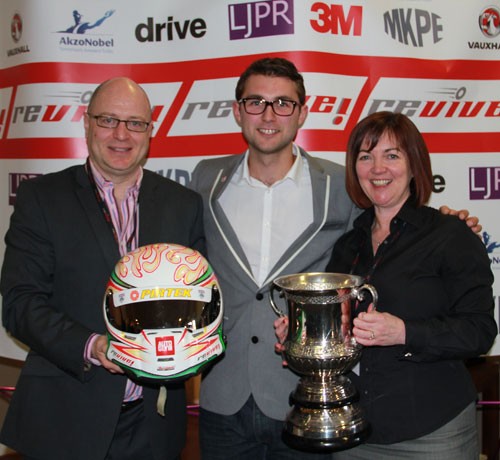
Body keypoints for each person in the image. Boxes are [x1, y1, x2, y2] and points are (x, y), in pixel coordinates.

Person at [189, 58, 481, 459]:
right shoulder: (206, 179)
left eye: (284, 103)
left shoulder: (339, 191)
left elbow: (474, 324)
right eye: (256, 102)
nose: (269, 114)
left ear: (302, 113)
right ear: (238, 111)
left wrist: (454, 223)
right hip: (226, 397)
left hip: (310, 404)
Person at [0, 77, 205, 460]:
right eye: (109, 120)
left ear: (150, 130)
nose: (121, 135)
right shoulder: (42, 199)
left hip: (154, 422)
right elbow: (20, 303)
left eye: (135, 123)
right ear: (87, 123)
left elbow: (201, 301)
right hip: (66, 417)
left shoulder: (184, 204)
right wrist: (92, 345)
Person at [322, 111, 495, 458]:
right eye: (366, 156)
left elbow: (479, 331)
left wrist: (404, 332)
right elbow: (335, 327)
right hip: (352, 431)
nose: (377, 168)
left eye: (392, 155)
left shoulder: (451, 235)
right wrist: (302, 332)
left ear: (415, 165)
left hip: (432, 435)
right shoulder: (347, 246)